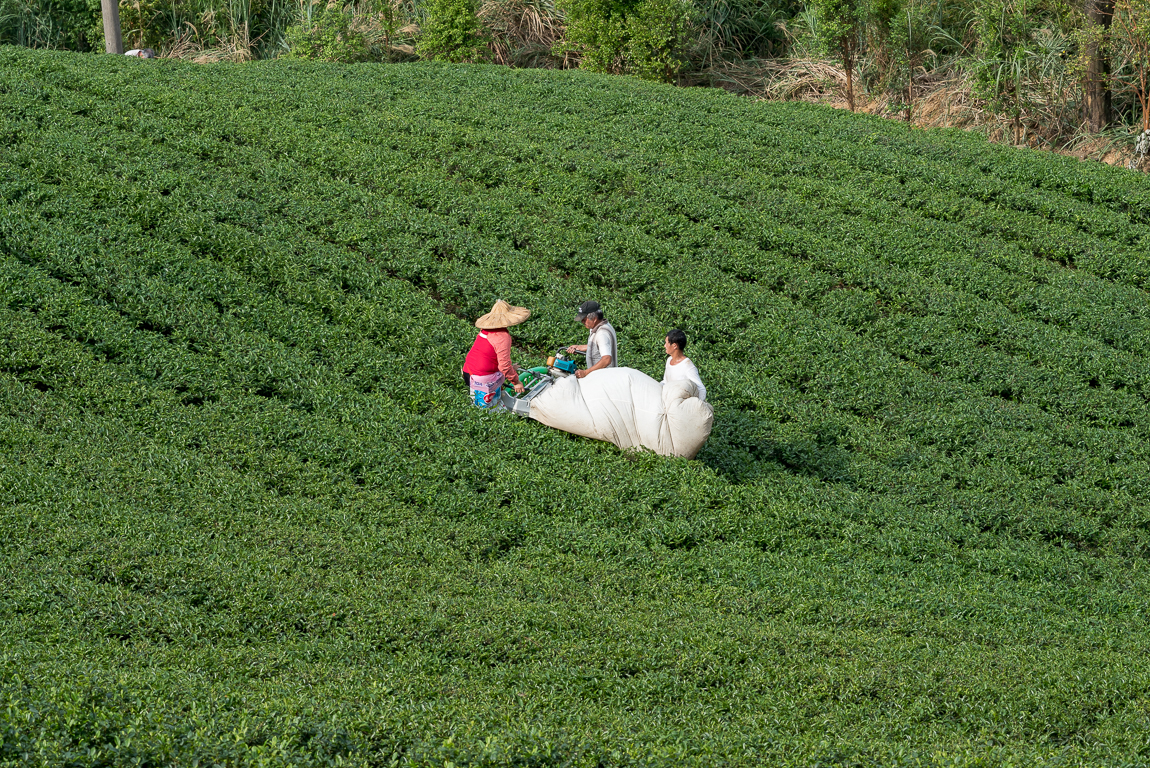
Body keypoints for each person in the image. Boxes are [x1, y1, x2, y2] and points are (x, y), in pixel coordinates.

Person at [462, 300, 529, 400]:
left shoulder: (485, 330)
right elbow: (504, 366)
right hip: (481, 378)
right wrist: (516, 382)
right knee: (489, 411)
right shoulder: (502, 336)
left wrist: (511, 370)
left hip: (468, 370)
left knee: (483, 405)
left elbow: (489, 356)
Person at [567, 300, 617, 379]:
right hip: (598, 378)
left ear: (594, 318)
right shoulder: (599, 325)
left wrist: (585, 372)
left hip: (604, 380)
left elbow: (607, 359)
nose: (582, 322)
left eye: (584, 319)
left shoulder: (602, 333)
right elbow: (600, 345)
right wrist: (580, 347)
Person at [662, 329, 706, 401]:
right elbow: (666, 381)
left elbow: (701, 388)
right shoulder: (669, 360)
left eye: (666, 343)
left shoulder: (687, 366)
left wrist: (697, 406)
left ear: (674, 346)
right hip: (668, 401)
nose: (664, 346)